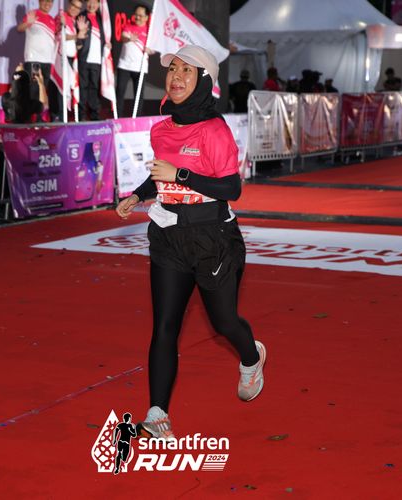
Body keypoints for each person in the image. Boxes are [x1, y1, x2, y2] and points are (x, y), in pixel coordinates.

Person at [114, 45, 267, 439]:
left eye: (187, 71)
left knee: (224, 322)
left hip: (213, 238)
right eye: (173, 70)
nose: (176, 77)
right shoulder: (161, 129)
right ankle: (157, 413)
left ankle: (251, 357)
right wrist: (138, 194)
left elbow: (231, 189)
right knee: (164, 326)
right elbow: (160, 176)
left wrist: (180, 176)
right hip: (168, 236)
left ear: (204, 81)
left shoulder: (215, 131)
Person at [115, 4, 153, 117]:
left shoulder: (150, 31)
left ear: (146, 17)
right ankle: (117, 117)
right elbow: (122, 37)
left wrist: (150, 50)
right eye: (136, 15)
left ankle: (136, 118)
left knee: (138, 95)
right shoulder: (128, 26)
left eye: (140, 15)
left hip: (140, 67)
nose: (137, 17)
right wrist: (129, 38)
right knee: (119, 92)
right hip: (124, 65)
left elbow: (153, 49)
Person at [77, 0, 109, 120]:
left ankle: (94, 114)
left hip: (97, 60)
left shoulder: (102, 18)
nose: (92, 5)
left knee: (94, 88)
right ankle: (81, 115)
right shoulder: (81, 16)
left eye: (94, 2)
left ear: (98, 4)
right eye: (89, 2)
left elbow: (105, 36)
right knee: (83, 87)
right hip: (84, 58)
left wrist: (107, 44)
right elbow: (78, 37)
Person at [17, 0, 56, 89]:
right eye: (45, 1)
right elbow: (19, 28)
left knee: (43, 91)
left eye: (50, 1)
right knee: (33, 90)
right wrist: (28, 23)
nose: (48, 4)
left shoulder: (52, 19)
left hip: (48, 61)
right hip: (34, 60)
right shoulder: (33, 14)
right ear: (39, 1)